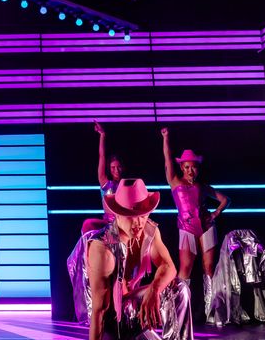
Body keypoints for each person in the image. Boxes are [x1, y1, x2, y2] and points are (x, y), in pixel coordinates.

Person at [87, 179, 192, 340]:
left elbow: (168, 266)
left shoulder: (149, 231)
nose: (138, 222)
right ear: (117, 214)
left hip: (134, 308)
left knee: (179, 287)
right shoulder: (103, 249)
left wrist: (154, 290)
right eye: (131, 216)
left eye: (143, 214)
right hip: (113, 321)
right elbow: (99, 310)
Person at [161, 127, 228, 315]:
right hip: (186, 228)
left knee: (208, 267)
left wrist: (214, 214)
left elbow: (225, 199)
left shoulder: (202, 186)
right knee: (185, 269)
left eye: (194, 167)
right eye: (187, 167)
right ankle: (181, 310)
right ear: (182, 167)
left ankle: (212, 311)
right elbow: (167, 158)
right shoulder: (175, 181)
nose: (191, 170)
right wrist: (166, 138)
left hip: (206, 227)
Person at [82, 121, 125, 236]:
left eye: (119, 167)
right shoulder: (105, 183)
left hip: (124, 225)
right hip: (108, 225)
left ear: (123, 168)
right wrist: (102, 136)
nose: (116, 170)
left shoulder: (127, 185)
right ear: (109, 168)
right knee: (88, 224)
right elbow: (102, 156)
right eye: (113, 167)